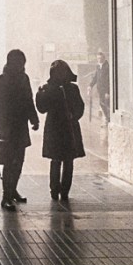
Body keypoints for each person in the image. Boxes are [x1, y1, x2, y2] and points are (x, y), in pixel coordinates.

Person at [0, 49, 39, 211]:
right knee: (8, 162)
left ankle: (13, 190)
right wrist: (3, 125)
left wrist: (34, 118)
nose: (22, 65)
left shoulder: (24, 78)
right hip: (8, 128)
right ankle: (6, 196)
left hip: (21, 126)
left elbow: (29, 100)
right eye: (19, 62)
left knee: (19, 161)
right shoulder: (4, 79)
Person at [36, 59, 86, 202]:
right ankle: (60, 190)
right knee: (63, 161)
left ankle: (58, 190)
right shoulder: (65, 88)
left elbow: (42, 108)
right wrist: (74, 116)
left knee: (59, 160)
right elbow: (80, 107)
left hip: (60, 128)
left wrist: (40, 95)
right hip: (65, 128)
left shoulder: (55, 88)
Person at [88, 50, 110, 123]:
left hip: (106, 89)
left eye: (100, 58)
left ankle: (108, 118)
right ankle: (107, 118)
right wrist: (90, 85)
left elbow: (108, 80)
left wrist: (107, 92)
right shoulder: (98, 66)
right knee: (102, 103)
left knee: (106, 104)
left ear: (104, 58)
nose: (99, 60)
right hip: (100, 89)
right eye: (98, 58)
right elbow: (96, 77)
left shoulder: (107, 66)